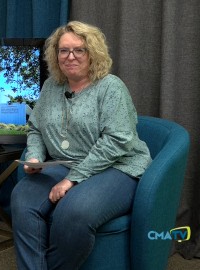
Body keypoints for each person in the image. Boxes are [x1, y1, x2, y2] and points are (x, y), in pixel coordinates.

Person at [10, 21, 152, 270]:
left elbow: (117, 141)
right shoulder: (50, 87)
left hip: (117, 167)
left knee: (74, 211)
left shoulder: (111, 87)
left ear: (92, 53)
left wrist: (72, 179)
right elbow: (36, 129)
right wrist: (33, 157)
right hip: (65, 164)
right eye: (63, 50)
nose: (70, 56)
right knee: (21, 197)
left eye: (79, 50)